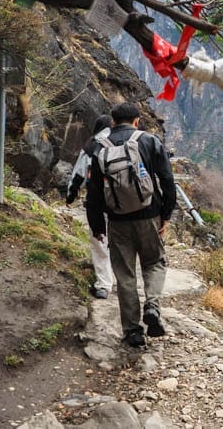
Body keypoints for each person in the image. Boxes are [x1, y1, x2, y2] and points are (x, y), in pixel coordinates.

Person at [86, 102, 176, 348]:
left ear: (112, 122)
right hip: (149, 216)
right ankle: (153, 306)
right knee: (155, 262)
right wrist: (166, 214)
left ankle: (133, 332)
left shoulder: (100, 148)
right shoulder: (149, 141)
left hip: (117, 220)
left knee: (125, 274)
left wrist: (97, 226)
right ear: (137, 120)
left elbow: (93, 192)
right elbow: (168, 180)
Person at [66, 114, 115, 300]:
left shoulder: (92, 144)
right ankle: (124, 279)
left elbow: (78, 174)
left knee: (100, 242)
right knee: (120, 239)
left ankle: (104, 284)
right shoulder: (128, 141)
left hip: (98, 201)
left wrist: (71, 196)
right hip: (127, 203)